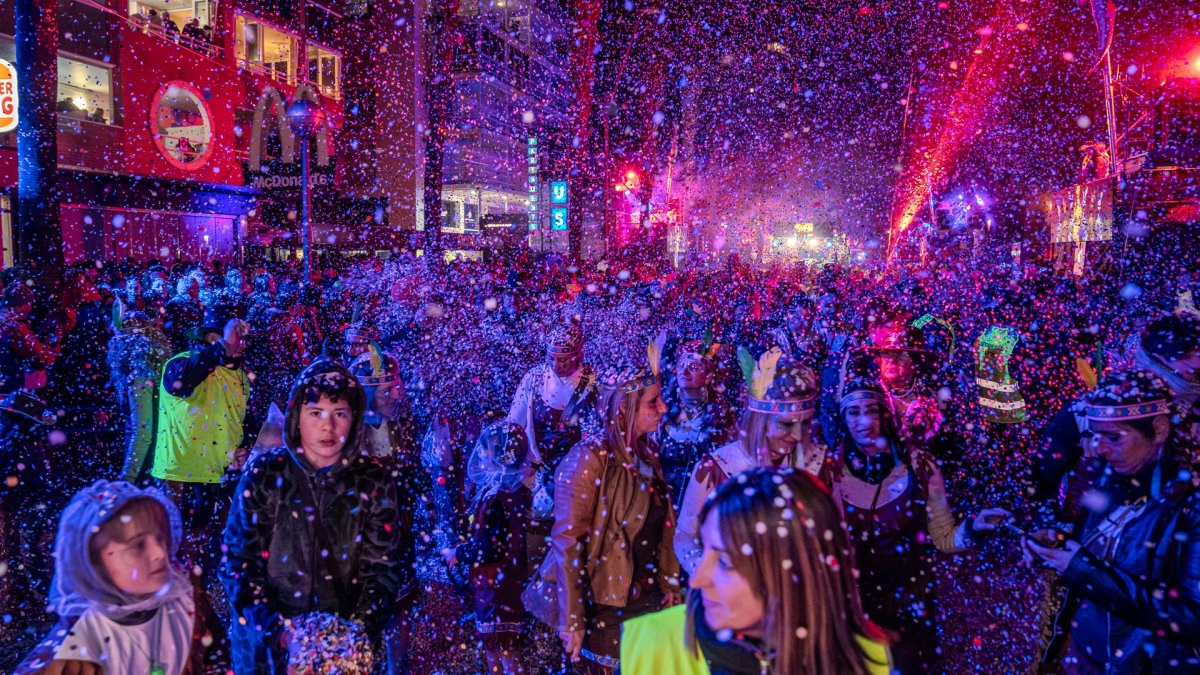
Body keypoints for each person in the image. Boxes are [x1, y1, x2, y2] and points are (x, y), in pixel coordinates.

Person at [221, 360, 405, 674]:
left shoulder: (372, 480)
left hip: (340, 650)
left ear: (354, 417)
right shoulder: (265, 474)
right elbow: (239, 562)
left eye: (340, 413)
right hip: (265, 652)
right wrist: (278, 631)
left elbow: (383, 569)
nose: (327, 427)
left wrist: (355, 632)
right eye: (315, 412)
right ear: (297, 416)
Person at [819, 376, 1010, 673]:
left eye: (871, 410)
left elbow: (944, 538)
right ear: (843, 418)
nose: (863, 421)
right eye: (854, 412)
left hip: (911, 609)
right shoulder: (830, 472)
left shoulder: (921, 466)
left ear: (885, 414)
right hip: (854, 608)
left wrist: (975, 527)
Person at [620, 467, 892, 675]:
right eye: (705, 549)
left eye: (725, 561)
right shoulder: (649, 645)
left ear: (793, 573)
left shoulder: (869, 660)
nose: (699, 579)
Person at [1026, 370, 1200, 674]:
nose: (1100, 449)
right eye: (1095, 435)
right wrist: (1056, 545)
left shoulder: (1191, 507)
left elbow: (1192, 618)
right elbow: (1094, 554)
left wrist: (1081, 569)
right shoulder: (1110, 477)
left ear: (1158, 430)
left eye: (1114, 437)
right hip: (1082, 662)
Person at [530, 350, 681, 674]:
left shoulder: (649, 452)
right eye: (653, 402)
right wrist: (572, 618)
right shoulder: (589, 457)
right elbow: (567, 538)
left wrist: (669, 584)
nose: (663, 408)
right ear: (624, 409)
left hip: (648, 600)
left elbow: (663, 526)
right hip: (605, 609)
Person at [15, 480, 227, 674]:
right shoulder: (73, 657)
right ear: (94, 562)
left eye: (160, 537)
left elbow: (215, 653)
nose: (160, 553)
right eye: (138, 545)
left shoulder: (185, 592)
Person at [675, 347, 826, 575]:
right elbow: (686, 534)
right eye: (786, 424)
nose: (796, 435)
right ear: (760, 420)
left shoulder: (821, 464)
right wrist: (715, 574)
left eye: (804, 424)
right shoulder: (717, 468)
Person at [151, 308, 250, 569]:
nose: (241, 344)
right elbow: (182, 384)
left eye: (242, 338)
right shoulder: (181, 362)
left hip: (216, 473)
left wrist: (246, 445)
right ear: (212, 338)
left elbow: (241, 416)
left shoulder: (240, 375)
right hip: (181, 474)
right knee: (173, 547)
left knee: (201, 549)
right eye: (235, 337)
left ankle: (196, 594)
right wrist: (222, 348)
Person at [442, 422, 535, 675]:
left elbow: (488, 549)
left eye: (487, 449)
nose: (481, 454)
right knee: (497, 649)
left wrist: (457, 554)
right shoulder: (514, 491)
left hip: (496, 589)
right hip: (505, 584)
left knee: (503, 652)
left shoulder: (497, 497)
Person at [656, 340, 734, 508]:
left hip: (701, 507)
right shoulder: (661, 412)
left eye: (693, 367)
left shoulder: (720, 417)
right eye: (682, 365)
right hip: (661, 506)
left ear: (708, 377)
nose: (684, 371)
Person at [107, 309, 170, 483]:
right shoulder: (140, 377)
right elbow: (142, 432)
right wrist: (128, 479)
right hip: (141, 463)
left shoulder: (136, 375)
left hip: (141, 460)